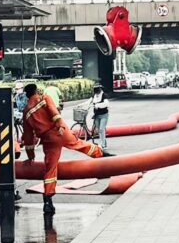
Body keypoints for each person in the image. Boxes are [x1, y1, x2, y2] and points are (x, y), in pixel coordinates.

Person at [21, 83, 111, 215]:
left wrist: (30, 156)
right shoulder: (44, 98)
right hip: (59, 132)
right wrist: (59, 125)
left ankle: (47, 200)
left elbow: (28, 136)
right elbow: (54, 112)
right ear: (36, 91)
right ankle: (103, 155)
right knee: (79, 144)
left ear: (27, 95)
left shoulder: (26, 112)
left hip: (47, 139)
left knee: (50, 168)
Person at [90, 85, 109, 149]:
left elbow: (106, 104)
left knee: (101, 129)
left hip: (104, 115)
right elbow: (89, 102)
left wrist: (98, 105)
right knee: (99, 130)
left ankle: (103, 144)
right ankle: (103, 143)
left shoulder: (104, 95)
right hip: (96, 115)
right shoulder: (94, 96)